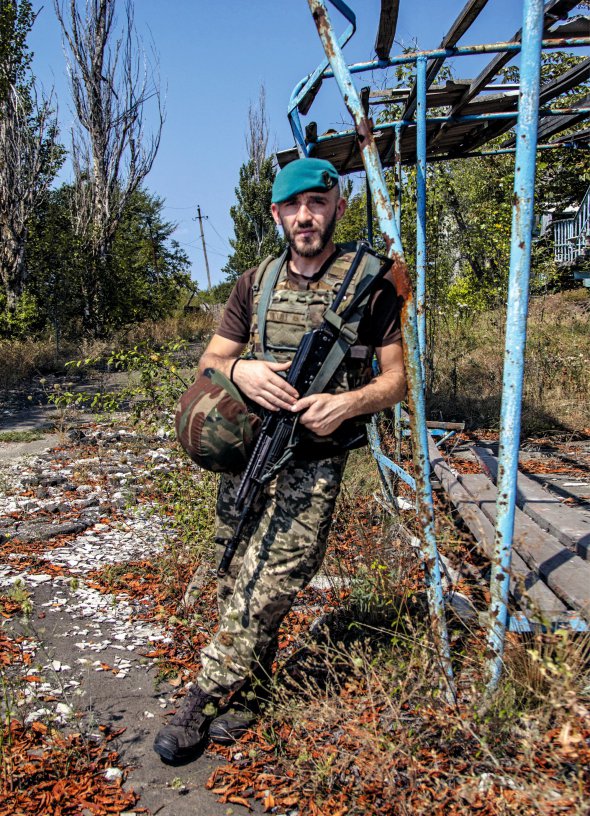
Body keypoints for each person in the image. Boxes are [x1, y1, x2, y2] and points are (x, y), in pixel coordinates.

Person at [153, 157, 406, 764]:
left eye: (316, 203)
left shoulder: (373, 283)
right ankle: (253, 688)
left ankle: (200, 697)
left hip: (316, 458)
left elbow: (397, 381)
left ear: (337, 207)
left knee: (270, 582)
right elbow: (210, 361)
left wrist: (348, 403)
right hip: (251, 451)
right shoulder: (255, 281)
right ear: (276, 215)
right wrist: (240, 368)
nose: (305, 216)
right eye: (292, 207)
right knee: (235, 571)